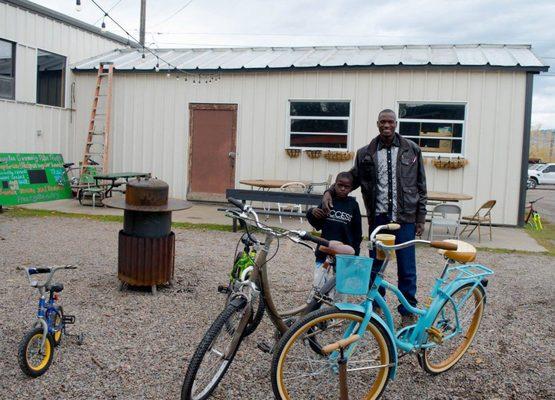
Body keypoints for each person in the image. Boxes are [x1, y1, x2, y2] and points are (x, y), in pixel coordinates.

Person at [322, 109, 427, 325]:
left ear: (396, 124)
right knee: (376, 265)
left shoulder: (412, 150)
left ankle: (408, 310)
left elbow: (421, 185)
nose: (386, 126)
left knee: (407, 267)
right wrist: (329, 191)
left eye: (390, 122)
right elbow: (350, 179)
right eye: (382, 122)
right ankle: (374, 305)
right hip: (379, 220)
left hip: (405, 219)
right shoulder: (365, 153)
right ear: (377, 124)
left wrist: (421, 218)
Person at [306, 171, 362, 298]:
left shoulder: (353, 205)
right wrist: (311, 212)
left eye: (346, 186)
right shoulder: (327, 201)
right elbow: (317, 224)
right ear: (334, 185)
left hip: (344, 254)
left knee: (340, 287)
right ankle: (317, 311)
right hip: (324, 251)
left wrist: (354, 255)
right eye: (339, 185)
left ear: (351, 188)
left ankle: (337, 312)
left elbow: (357, 233)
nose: (342, 188)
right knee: (319, 283)